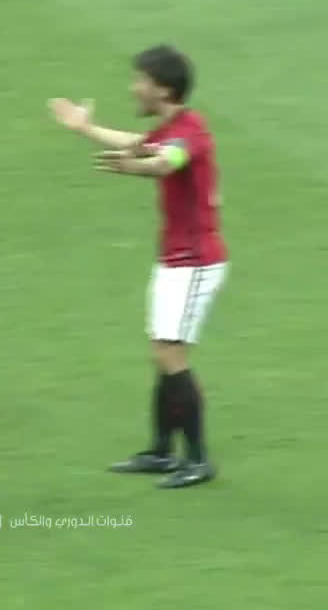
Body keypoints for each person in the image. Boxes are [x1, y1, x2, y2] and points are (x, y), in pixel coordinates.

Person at [49, 44, 227, 489]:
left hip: (196, 262)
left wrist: (134, 168)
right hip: (175, 260)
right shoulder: (171, 127)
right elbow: (137, 143)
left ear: (163, 89)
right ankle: (162, 451)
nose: (134, 88)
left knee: (171, 355)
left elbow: (167, 161)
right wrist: (85, 128)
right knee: (161, 354)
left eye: (141, 81)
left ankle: (198, 459)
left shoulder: (190, 132)